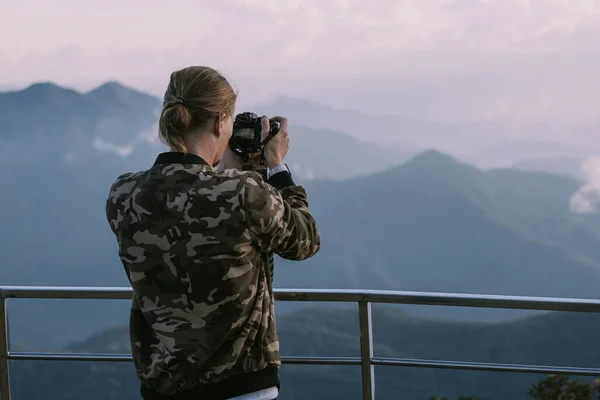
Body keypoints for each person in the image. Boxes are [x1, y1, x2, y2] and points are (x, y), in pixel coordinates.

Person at [105, 66, 321, 400]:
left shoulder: (124, 193)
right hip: (241, 385)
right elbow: (304, 239)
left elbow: (187, 204)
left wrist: (226, 173)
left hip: (165, 385)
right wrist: (276, 166)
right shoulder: (243, 192)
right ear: (221, 122)